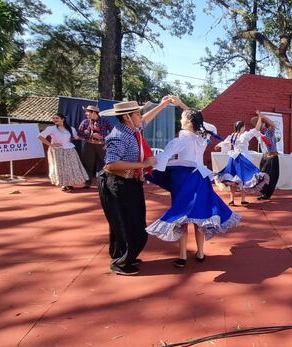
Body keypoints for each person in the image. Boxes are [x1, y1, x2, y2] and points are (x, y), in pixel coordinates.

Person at [147, 97, 241, 267]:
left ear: (188, 121)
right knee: (200, 216)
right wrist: (185, 107)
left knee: (182, 216)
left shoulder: (180, 140)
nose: (180, 120)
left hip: (184, 180)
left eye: (182, 117)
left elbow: (161, 159)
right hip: (201, 178)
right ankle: (200, 252)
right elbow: (207, 126)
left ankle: (183, 255)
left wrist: (146, 166)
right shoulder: (202, 137)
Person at [98, 98, 171, 276]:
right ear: (126, 117)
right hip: (118, 183)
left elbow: (147, 119)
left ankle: (123, 255)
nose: (141, 117)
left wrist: (161, 106)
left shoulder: (132, 128)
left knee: (128, 222)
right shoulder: (118, 136)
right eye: (137, 114)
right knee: (129, 224)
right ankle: (121, 262)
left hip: (130, 182)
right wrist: (143, 163)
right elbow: (110, 164)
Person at [215, 119, 269, 205]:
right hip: (242, 159)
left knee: (233, 179)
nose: (245, 128)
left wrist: (218, 145)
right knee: (243, 179)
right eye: (244, 126)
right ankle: (242, 200)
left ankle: (232, 199)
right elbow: (256, 129)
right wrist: (259, 118)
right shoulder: (245, 135)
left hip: (234, 159)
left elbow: (225, 142)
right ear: (242, 127)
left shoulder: (233, 136)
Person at [37, 113, 89, 191]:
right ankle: (64, 184)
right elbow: (40, 136)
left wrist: (86, 134)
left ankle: (72, 183)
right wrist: (51, 145)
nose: (55, 120)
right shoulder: (51, 128)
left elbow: (77, 137)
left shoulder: (71, 129)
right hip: (58, 151)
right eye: (54, 118)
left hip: (70, 150)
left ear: (62, 119)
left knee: (73, 167)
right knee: (61, 168)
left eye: (57, 118)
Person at [77, 105, 113, 188]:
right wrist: (91, 134)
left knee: (104, 163)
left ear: (93, 112)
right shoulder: (85, 122)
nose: (86, 113)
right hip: (88, 145)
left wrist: (104, 138)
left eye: (87, 112)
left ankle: (107, 182)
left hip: (101, 146)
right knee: (87, 164)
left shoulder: (105, 121)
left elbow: (113, 131)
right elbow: (79, 133)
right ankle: (87, 182)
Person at [253, 112, 280, 200]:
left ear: (264, 124)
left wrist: (262, 116)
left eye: (260, 122)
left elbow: (272, 125)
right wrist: (259, 119)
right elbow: (256, 129)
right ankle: (264, 192)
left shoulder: (269, 131)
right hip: (265, 157)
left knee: (271, 176)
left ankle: (267, 194)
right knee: (262, 175)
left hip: (272, 157)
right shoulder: (260, 132)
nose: (259, 124)